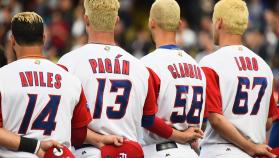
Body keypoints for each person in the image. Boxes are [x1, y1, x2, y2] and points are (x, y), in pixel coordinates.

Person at [58, 0, 203, 157]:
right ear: (116, 21)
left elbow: (61, 121)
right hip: (131, 150)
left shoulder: (68, 63)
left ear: (86, 19)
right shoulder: (140, 67)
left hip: (88, 150)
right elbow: (148, 117)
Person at [0, 12, 118, 158]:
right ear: (44, 38)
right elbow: (78, 132)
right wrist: (99, 139)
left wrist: (34, 146)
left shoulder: (2, 76)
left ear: (12, 40)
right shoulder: (69, 78)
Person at [199, 0, 277, 158]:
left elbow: (215, 120)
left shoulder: (210, 62)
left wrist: (248, 146)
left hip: (220, 150)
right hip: (255, 151)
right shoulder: (264, 66)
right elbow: (268, 120)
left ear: (219, 22)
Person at [140, 0, 205, 157]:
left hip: (157, 150)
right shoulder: (197, 66)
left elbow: (146, 119)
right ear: (179, 24)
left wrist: (179, 135)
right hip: (189, 152)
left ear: (151, 23)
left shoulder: (146, 64)